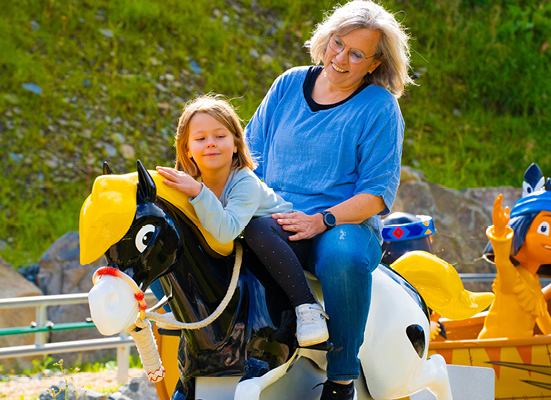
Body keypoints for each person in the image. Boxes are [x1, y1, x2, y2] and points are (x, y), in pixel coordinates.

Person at [244, 1, 411, 398]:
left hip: (344, 225)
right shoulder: (288, 84)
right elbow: (249, 156)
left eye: (357, 53)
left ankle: (340, 379)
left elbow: (375, 194)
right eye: (338, 43)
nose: (341, 58)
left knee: (343, 258)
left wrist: (321, 220)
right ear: (326, 39)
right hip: (277, 216)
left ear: (374, 64)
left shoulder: (380, 108)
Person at [155, 95, 329, 347]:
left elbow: (226, 231)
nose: (211, 144)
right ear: (187, 149)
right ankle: (184, 307)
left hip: (286, 242)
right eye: (200, 139)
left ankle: (307, 306)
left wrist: (198, 193)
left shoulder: (243, 181)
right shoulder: (189, 183)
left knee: (254, 228)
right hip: (246, 250)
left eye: (220, 136)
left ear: (236, 144)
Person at [479, 164, 551, 339]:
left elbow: (548, 329)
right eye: (544, 228)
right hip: (494, 350)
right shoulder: (512, 277)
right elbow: (502, 260)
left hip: (520, 352)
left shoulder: (535, 287)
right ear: (519, 230)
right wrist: (500, 231)